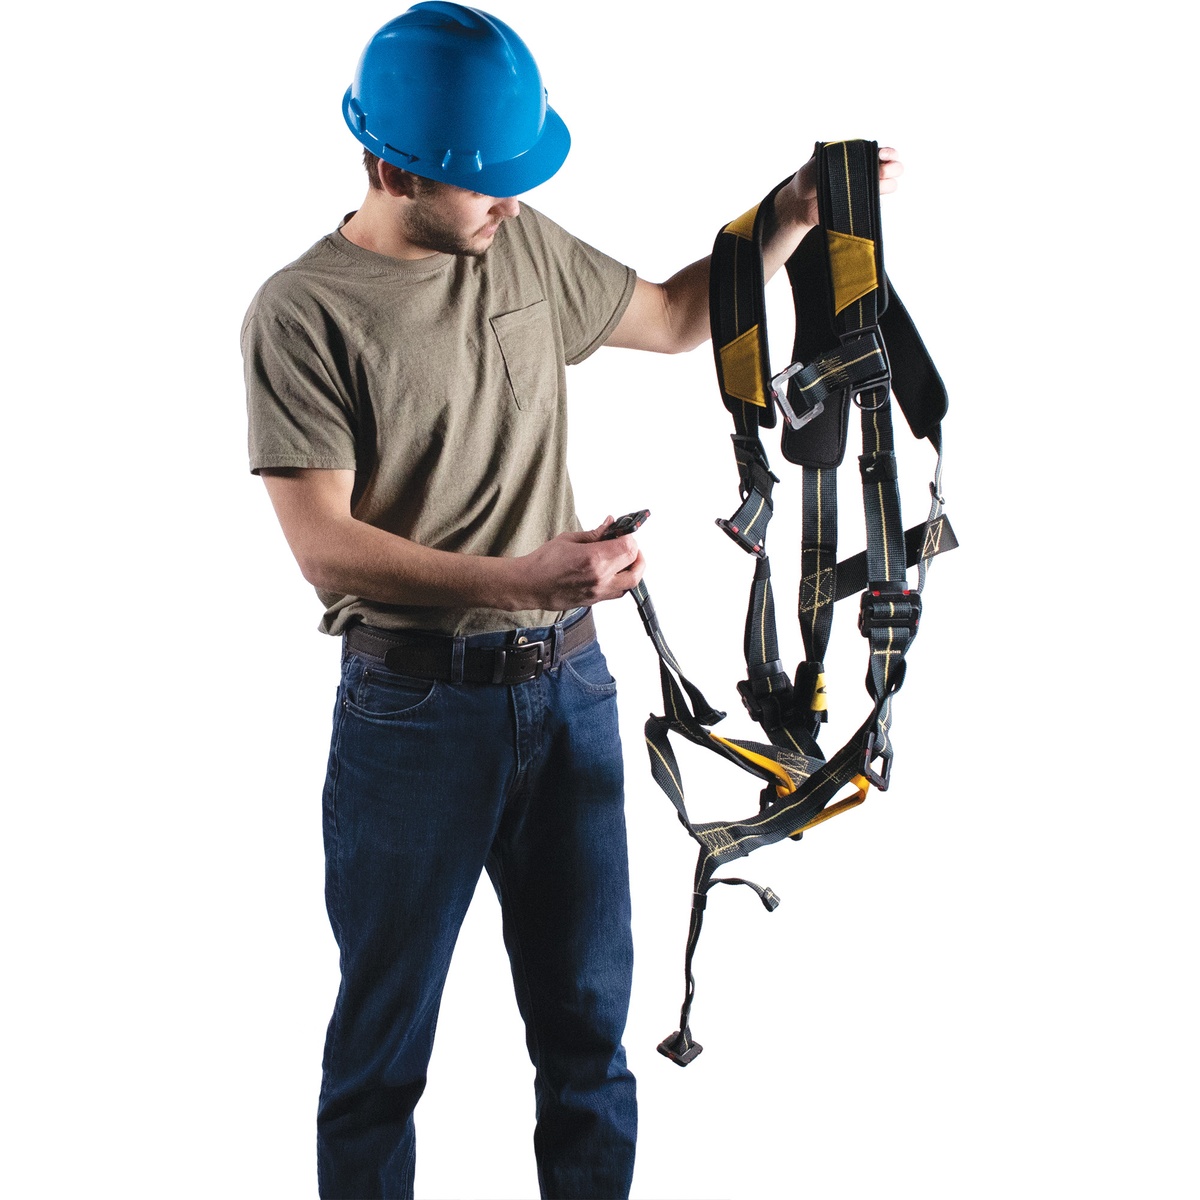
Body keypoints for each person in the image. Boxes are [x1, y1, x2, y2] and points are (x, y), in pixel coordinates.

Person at [242, 4, 902, 1197]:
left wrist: (795, 210)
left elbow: (679, 315)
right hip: (413, 717)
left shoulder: (518, 240)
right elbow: (323, 547)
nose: (509, 202)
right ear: (391, 168)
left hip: (570, 693)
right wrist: (518, 577)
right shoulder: (303, 312)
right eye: (483, 182)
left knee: (590, 1044)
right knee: (380, 1058)